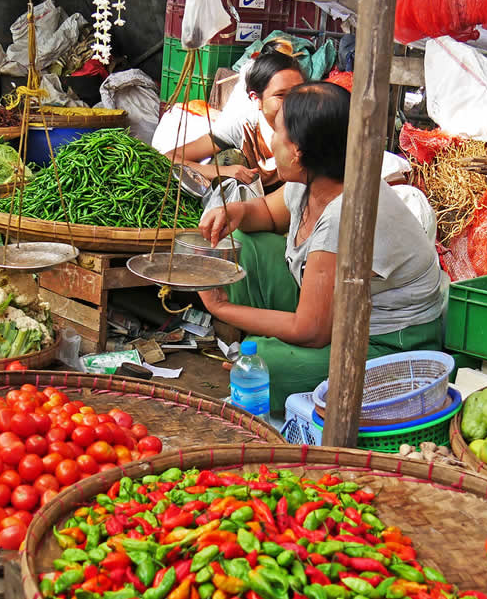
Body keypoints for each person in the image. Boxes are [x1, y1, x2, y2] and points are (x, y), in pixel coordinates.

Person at [197, 82, 446, 417]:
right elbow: (268, 214)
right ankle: (265, 343)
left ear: (298, 151)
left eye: (278, 133)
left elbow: (311, 331)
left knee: (270, 366)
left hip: (389, 343)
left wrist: (220, 308)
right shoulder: (317, 180)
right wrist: (236, 211)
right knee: (247, 245)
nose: (271, 142)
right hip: (337, 311)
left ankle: (270, 351)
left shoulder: (346, 214)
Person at [164, 50, 305, 190]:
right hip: (249, 205)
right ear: (257, 99)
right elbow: (169, 158)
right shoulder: (243, 126)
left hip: (291, 207)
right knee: (230, 158)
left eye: (299, 93)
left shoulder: (312, 126)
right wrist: (222, 172)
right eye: (280, 95)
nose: (292, 102)